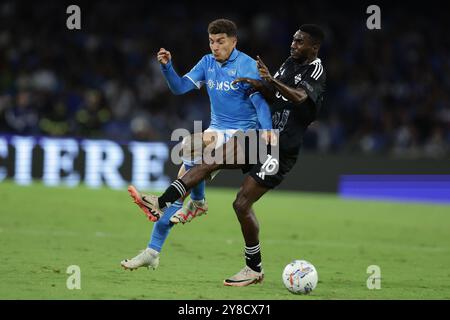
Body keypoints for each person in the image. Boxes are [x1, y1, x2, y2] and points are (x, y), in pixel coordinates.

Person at [126, 24, 327, 286]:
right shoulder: (287, 62)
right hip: (251, 139)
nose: (293, 45)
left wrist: (266, 97)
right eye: (293, 40)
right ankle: (161, 219)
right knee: (202, 160)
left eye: (299, 42)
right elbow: (268, 94)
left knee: (241, 204)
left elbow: (299, 97)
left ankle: (253, 268)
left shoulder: (314, 70)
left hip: (278, 147)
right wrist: (260, 84)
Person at [120, 19, 273, 271]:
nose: (215, 47)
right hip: (217, 129)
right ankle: (152, 251)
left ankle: (198, 203)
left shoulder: (248, 66)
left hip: (243, 135)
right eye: (211, 41)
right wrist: (167, 67)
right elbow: (179, 88)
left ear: (234, 41)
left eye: (220, 41)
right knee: (182, 185)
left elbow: (260, 103)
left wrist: (267, 130)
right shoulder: (207, 62)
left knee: (189, 149)